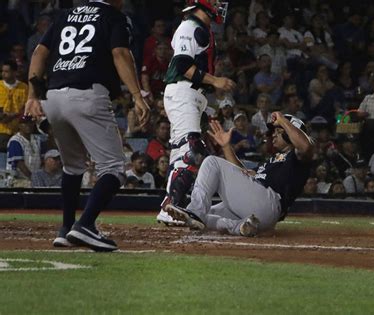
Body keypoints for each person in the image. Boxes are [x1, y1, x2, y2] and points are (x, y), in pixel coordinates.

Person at [25, 0, 150, 251]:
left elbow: (39, 52)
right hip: (87, 94)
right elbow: (120, 53)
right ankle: (85, 225)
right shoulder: (114, 16)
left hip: (54, 97)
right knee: (114, 168)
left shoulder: (65, 14)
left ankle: (65, 228)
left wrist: (32, 96)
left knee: (72, 167)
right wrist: (137, 96)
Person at [164, 113, 313, 237]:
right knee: (205, 214)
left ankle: (195, 211)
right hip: (259, 213)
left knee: (211, 162)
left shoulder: (297, 157)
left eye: (279, 131)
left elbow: (305, 146)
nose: (273, 134)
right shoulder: (275, 159)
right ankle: (241, 226)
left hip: (269, 202)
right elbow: (243, 174)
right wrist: (226, 147)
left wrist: (283, 121)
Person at [159, 0, 236, 223]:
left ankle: (174, 205)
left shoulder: (202, 29)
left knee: (180, 153)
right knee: (192, 151)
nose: (219, 4)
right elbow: (183, 65)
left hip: (192, 95)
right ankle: (170, 205)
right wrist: (216, 81)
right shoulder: (189, 27)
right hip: (183, 91)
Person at [0, 60, 29, 152]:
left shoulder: (24, 87)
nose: (3, 74)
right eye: (2, 71)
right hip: (1, 130)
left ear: (14, 72)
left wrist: (14, 115)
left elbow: (26, 107)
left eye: (6, 71)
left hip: (17, 130)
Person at [6, 115, 42, 185]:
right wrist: (34, 179)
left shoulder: (38, 139)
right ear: (19, 126)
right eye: (24, 123)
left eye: (30, 123)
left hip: (33, 178)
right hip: (17, 180)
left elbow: (43, 160)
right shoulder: (15, 141)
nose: (28, 125)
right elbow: (20, 164)